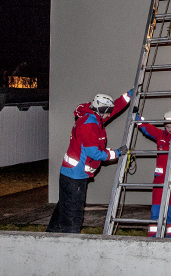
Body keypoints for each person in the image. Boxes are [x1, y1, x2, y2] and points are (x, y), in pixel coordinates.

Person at [46, 91, 131, 233]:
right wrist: (117, 152)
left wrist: (131, 93)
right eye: (108, 112)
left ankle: (50, 235)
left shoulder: (93, 117)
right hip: (75, 177)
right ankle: (71, 243)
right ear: (102, 111)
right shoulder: (89, 125)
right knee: (73, 215)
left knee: (64, 208)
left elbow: (115, 107)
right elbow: (95, 154)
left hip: (70, 174)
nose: (110, 115)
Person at [136, 108, 171, 238]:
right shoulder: (161, 136)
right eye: (167, 126)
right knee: (155, 212)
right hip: (160, 180)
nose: (170, 128)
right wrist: (136, 117)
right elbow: (146, 127)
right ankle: (153, 240)